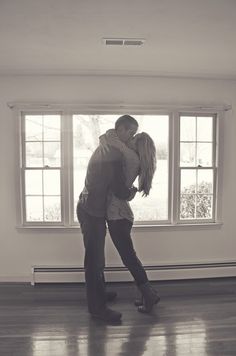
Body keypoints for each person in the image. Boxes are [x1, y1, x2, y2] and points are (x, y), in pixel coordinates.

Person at [76, 115, 138, 323]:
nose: (132, 138)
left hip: (90, 207)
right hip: (91, 211)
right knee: (94, 262)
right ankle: (97, 309)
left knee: (97, 259)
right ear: (120, 129)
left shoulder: (108, 143)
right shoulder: (113, 152)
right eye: (131, 133)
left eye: (134, 134)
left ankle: (100, 294)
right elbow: (120, 190)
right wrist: (132, 192)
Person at [99, 129, 160, 313]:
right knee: (130, 258)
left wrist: (112, 133)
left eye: (133, 138)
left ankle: (149, 296)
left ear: (137, 144)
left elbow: (106, 139)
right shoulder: (135, 159)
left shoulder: (130, 156)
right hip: (122, 214)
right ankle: (147, 294)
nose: (129, 139)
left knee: (129, 259)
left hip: (118, 215)